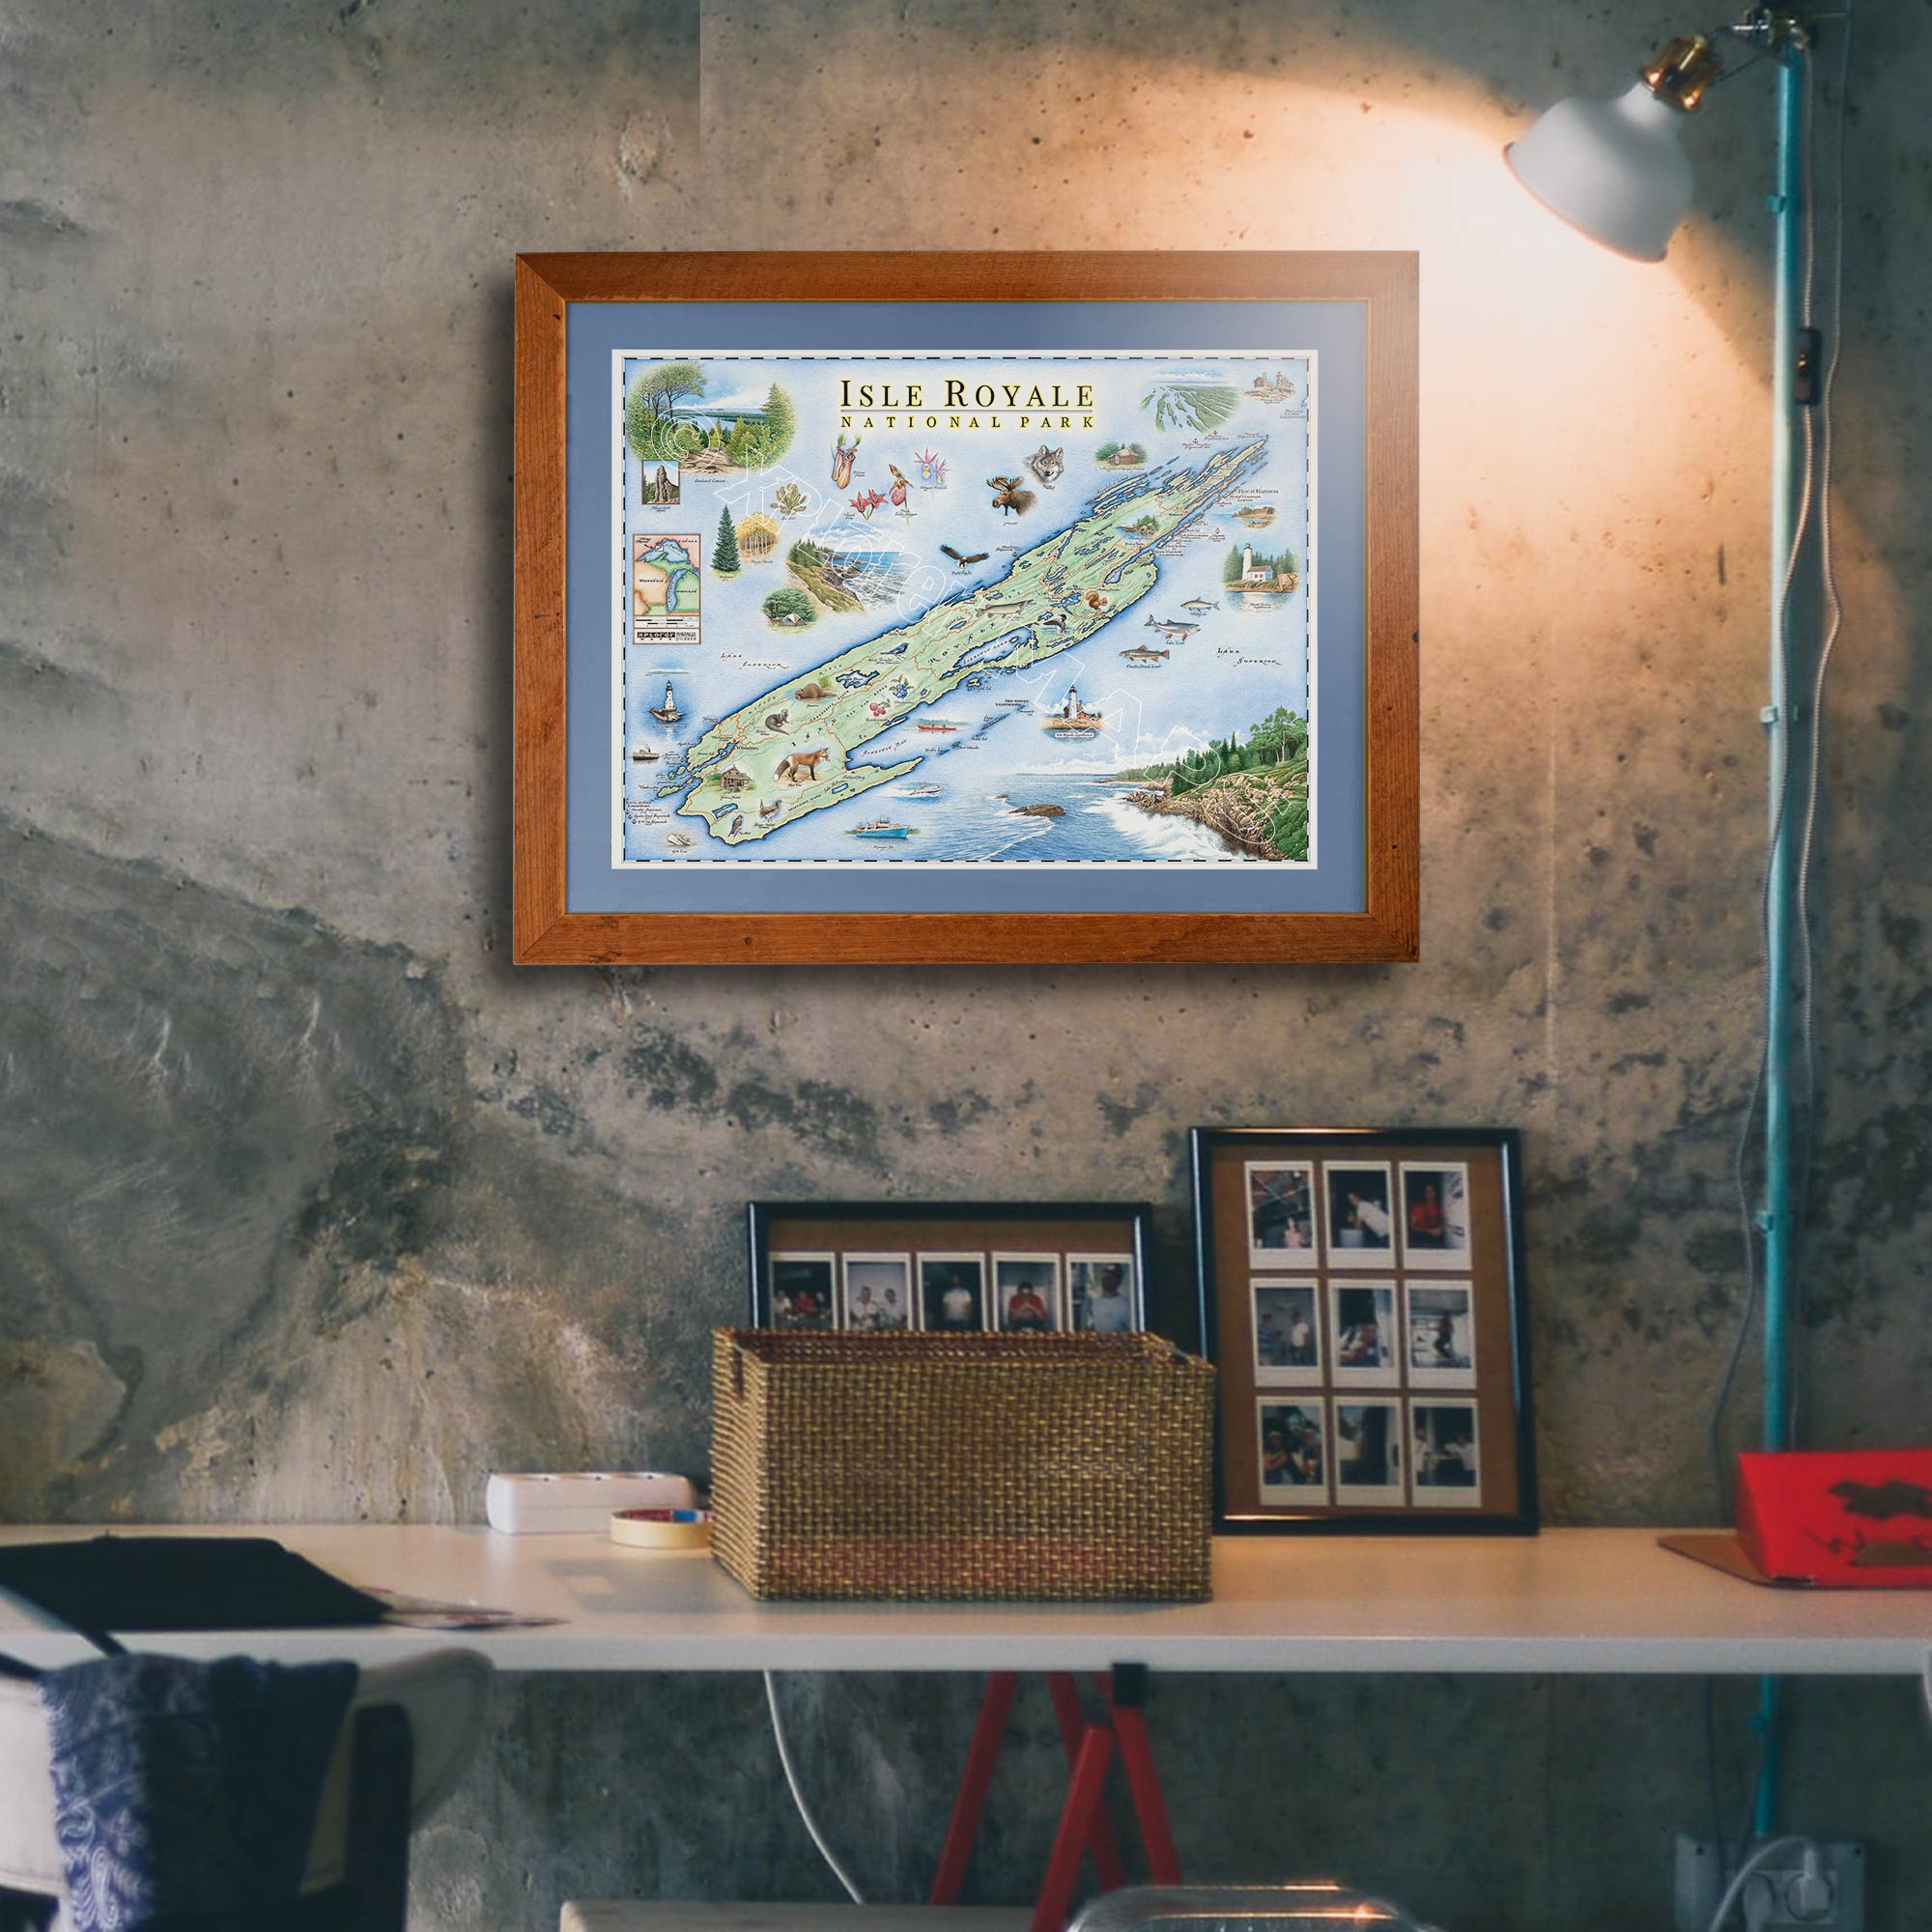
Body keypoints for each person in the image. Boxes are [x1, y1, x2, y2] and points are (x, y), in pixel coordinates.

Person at [1087, 1265, 1133, 1332]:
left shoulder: (1126, 1304)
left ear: (1119, 1280)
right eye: (1107, 1275)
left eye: (1113, 1276)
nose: (1109, 1279)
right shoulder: (1094, 1303)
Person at [1408, 1179, 1445, 1247]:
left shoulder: (1441, 1207)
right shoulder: (1417, 1207)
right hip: (1422, 1241)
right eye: (1428, 1192)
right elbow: (1411, 1227)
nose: (1430, 1194)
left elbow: (1445, 1223)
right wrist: (1429, 1231)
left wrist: (1442, 1228)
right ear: (1424, 1194)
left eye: (1432, 1192)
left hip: (1438, 1241)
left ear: (1435, 1193)